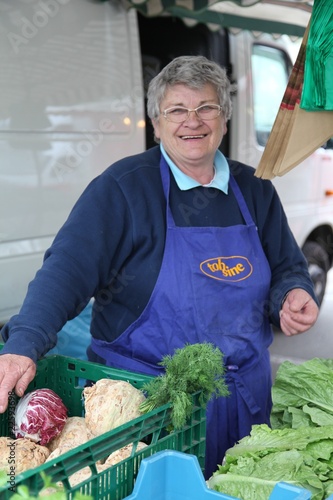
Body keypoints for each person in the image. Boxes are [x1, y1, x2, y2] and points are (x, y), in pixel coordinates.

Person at [0, 55, 319, 478]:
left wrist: (293, 293)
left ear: (224, 118)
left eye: (206, 108)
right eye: (177, 110)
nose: (194, 121)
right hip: (149, 409)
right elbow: (66, 270)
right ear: (156, 123)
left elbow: (288, 267)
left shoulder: (255, 190)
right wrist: (24, 341)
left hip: (243, 403)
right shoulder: (122, 189)